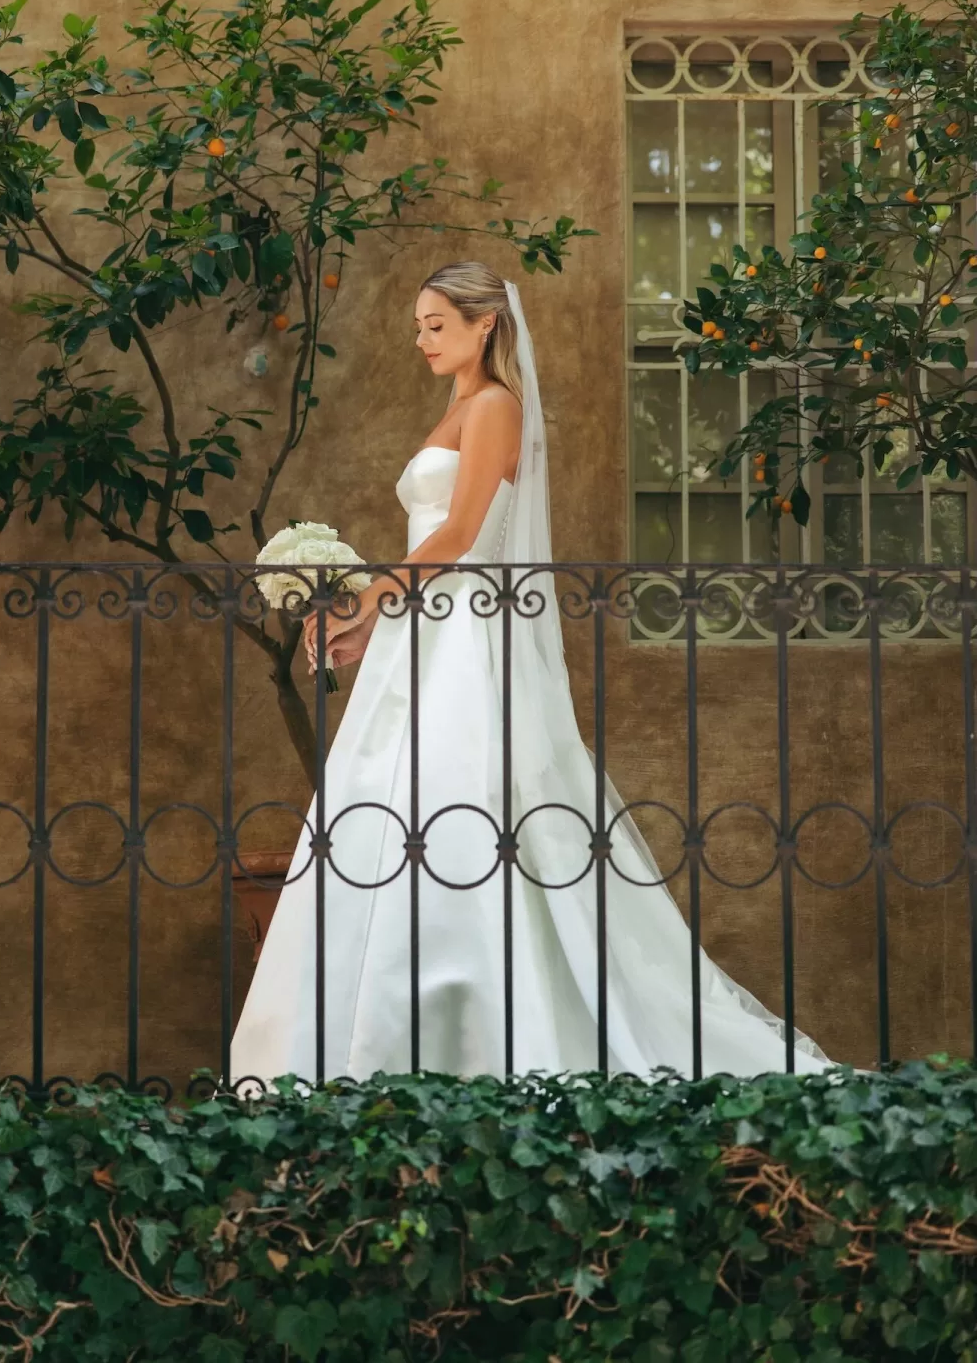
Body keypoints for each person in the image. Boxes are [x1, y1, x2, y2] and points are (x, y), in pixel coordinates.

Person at [230, 262, 829, 1085]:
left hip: (467, 640)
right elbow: (435, 547)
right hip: (429, 628)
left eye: (436, 323)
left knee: (463, 816)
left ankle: (484, 1040)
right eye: (418, 325)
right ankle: (377, 1045)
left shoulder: (496, 407)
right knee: (390, 817)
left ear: (486, 325)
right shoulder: (460, 407)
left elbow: (463, 531)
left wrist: (370, 597)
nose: (421, 339)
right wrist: (375, 623)